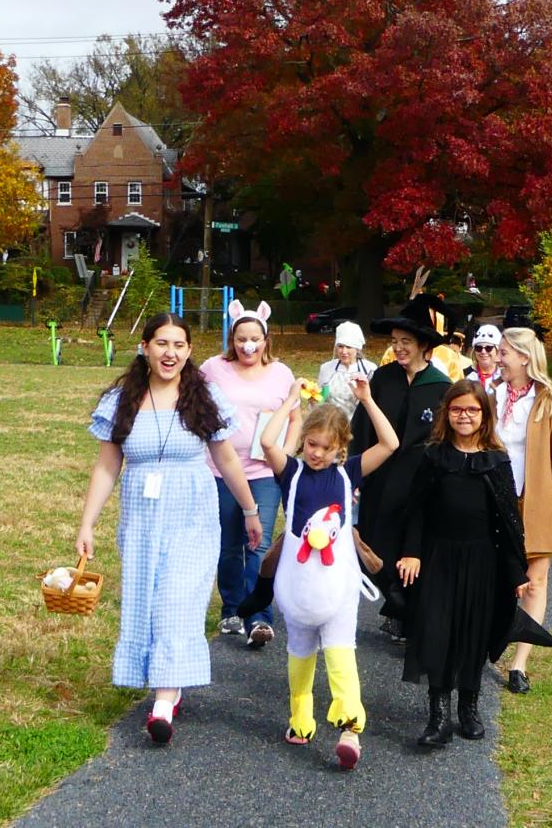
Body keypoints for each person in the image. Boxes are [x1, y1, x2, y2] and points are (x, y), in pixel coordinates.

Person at [75, 313, 261, 744]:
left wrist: (250, 510)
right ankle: (166, 683)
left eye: (179, 345)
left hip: (192, 512)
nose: (170, 353)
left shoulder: (202, 395)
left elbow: (228, 459)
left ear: (189, 350)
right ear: (144, 346)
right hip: (141, 515)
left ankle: (162, 703)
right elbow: (107, 465)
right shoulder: (123, 400)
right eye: (161, 343)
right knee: (147, 600)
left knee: (176, 600)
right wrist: (87, 523)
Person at [260, 376, 399, 769]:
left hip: (337, 585)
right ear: (303, 441)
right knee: (299, 655)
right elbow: (268, 443)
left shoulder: (348, 472)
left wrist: (368, 400)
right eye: (311, 444)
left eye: (326, 447)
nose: (317, 453)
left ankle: (350, 728)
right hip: (297, 585)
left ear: (341, 449)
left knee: (341, 655)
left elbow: (390, 444)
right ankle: (300, 720)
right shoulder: (290, 473)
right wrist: (290, 402)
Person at [397, 380, 530, 747]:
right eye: (457, 409)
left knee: (473, 633)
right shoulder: (433, 456)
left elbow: (507, 523)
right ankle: (437, 717)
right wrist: (412, 552)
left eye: (472, 410)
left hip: (482, 559)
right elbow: (416, 510)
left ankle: (468, 709)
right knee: (438, 631)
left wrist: (516, 571)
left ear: (484, 415)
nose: (464, 416)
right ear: (447, 413)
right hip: (439, 557)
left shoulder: (497, 461)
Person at [200, 300, 301, 649]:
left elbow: (295, 418)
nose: (248, 346)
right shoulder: (213, 368)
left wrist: (284, 456)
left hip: (263, 472)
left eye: (255, 339)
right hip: (221, 470)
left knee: (258, 544)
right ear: (232, 338)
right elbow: (190, 401)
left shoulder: (282, 374)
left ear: (266, 338)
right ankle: (231, 608)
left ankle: (258, 615)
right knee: (229, 545)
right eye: (241, 339)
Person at [351, 294, 452, 641]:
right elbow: (362, 426)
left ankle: (405, 614)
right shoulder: (382, 379)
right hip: (382, 479)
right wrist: (354, 475)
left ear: (425, 346)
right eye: (395, 342)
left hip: (422, 482)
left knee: (413, 550)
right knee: (375, 547)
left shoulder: (442, 387)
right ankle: (397, 602)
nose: (398, 349)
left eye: (406, 342)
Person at [495, 326, 552, 694]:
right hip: (495, 501)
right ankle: (488, 642)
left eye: (503, 352)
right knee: (496, 578)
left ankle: (519, 664)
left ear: (523, 357)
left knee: (535, 582)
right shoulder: (490, 395)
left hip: (537, 504)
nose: (497, 358)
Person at [317, 321, 377, 420]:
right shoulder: (327, 368)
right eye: (340, 346)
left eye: (348, 347)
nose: (344, 351)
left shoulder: (369, 369)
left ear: (357, 349)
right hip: (332, 425)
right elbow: (320, 399)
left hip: (360, 425)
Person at [467, 324, 502, 393]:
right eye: (478, 348)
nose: (483, 352)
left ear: (497, 351)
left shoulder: (504, 376)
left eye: (488, 348)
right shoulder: (466, 374)